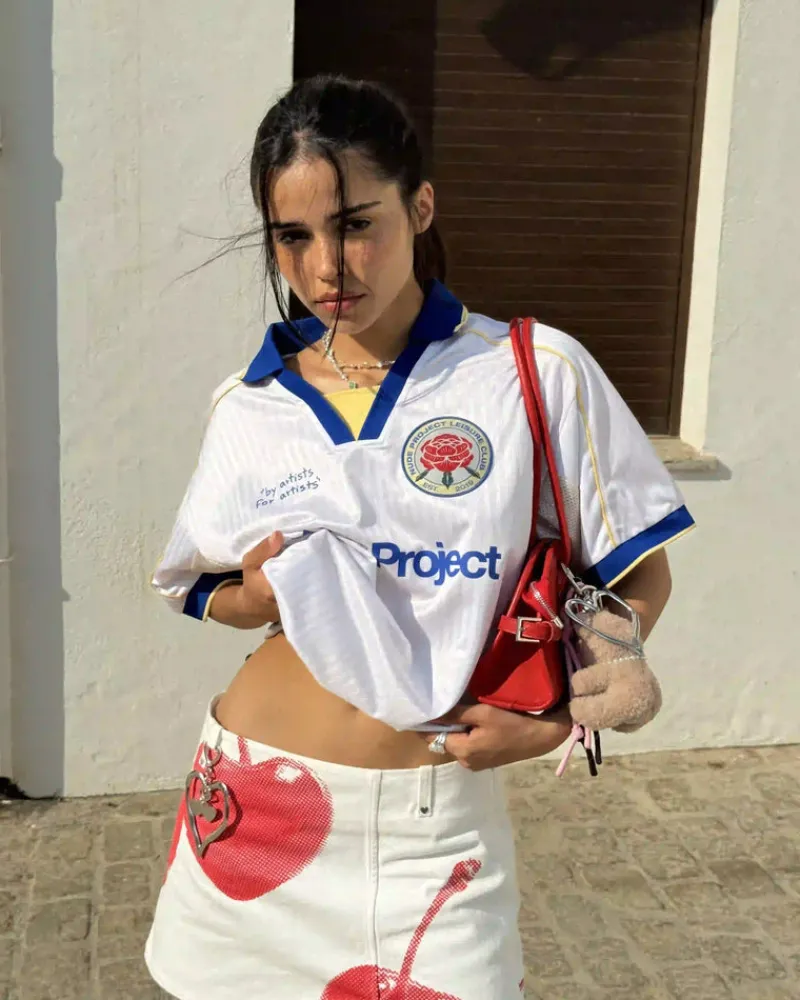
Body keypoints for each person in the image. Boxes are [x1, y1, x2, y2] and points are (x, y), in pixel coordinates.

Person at [145, 75, 694, 1000]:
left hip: (433, 834)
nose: (328, 267)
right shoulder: (249, 404)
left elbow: (642, 578)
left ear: (421, 207)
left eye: (356, 224)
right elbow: (209, 591)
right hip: (250, 806)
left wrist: (558, 717)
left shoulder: (531, 371)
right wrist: (255, 593)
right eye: (293, 237)